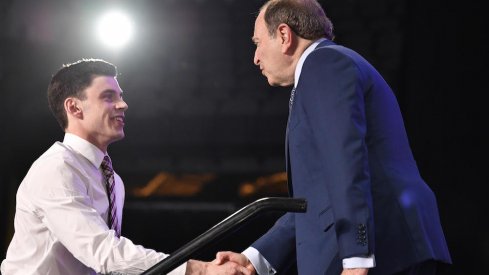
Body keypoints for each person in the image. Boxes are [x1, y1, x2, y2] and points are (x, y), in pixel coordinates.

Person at [215, 0, 452, 274]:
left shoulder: (324, 63)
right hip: (391, 250)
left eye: (258, 42)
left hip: (383, 254)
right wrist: (255, 258)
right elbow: (315, 200)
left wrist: (356, 257)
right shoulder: (325, 68)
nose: (255, 57)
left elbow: (346, 160)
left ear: (283, 35)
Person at [0, 59, 251, 275]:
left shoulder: (113, 180)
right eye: (108, 97)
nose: (123, 104)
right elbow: (103, 252)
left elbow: (109, 263)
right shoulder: (56, 169)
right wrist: (200, 269)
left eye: (120, 96)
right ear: (74, 107)